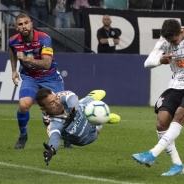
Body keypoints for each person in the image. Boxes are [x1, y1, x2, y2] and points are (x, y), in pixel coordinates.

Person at [132, 19, 184, 176]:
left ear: (181, 32)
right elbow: (148, 63)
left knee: (180, 115)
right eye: (169, 41)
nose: (172, 44)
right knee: (162, 122)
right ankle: (178, 165)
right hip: (176, 85)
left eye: (174, 40)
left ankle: (152, 154)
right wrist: (161, 60)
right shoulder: (163, 42)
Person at [8, 12, 73, 149]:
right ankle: (23, 136)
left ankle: (67, 136)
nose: (24, 26)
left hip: (50, 76)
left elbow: (47, 63)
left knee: (60, 106)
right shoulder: (13, 41)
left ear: (31, 24)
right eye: (20, 24)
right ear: (16, 28)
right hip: (30, 77)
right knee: (24, 105)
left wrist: (27, 59)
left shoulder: (44, 39)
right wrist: (14, 70)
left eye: (26, 23)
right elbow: (13, 52)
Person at [35, 88, 121, 166]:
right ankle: (105, 118)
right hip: (87, 135)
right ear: (43, 109)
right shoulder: (52, 121)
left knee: (83, 104)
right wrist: (51, 149)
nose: (57, 102)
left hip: (83, 111)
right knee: (97, 120)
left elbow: (72, 97)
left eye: (56, 99)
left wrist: (73, 110)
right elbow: (55, 137)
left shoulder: (60, 96)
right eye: (52, 103)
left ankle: (91, 98)